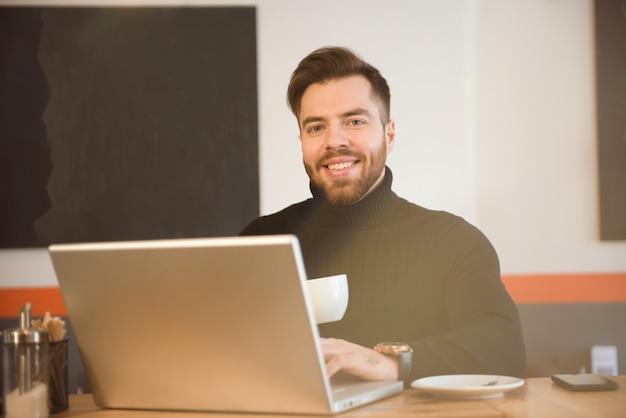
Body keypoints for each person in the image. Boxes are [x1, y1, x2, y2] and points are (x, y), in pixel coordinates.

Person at [240, 46, 527, 384]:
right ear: (302, 139)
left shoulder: (454, 241)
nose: (335, 141)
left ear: (389, 135)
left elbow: (505, 349)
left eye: (355, 121)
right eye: (316, 127)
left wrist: (389, 363)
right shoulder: (260, 240)